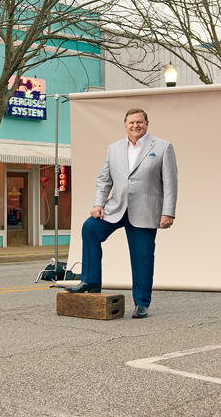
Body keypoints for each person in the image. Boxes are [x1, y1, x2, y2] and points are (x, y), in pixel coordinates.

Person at [67, 108, 177, 319]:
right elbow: (104, 179)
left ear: (147, 123)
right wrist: (98, 204)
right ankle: (90, 280)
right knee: (90, 228)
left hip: (145, 210)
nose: (135, 126)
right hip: (116, 207)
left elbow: (171, 183)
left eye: (139, 122)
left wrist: (168, 212)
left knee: (142, 258)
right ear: (125, 125)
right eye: (131, 123)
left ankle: (142, 303)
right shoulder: (114, 148)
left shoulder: (163, 147)